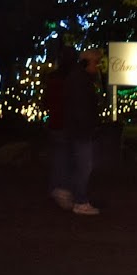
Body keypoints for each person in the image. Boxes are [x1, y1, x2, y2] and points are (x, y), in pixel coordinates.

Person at [47, 44, 101, 215]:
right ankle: (79, 199)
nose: (97, 67)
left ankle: (64, 191)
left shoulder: (67, 78)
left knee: (65, 160)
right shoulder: (80, 80)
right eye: (96, 63)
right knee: (83, 165)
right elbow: (81, 107)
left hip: (65, 126)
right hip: (79, 130)